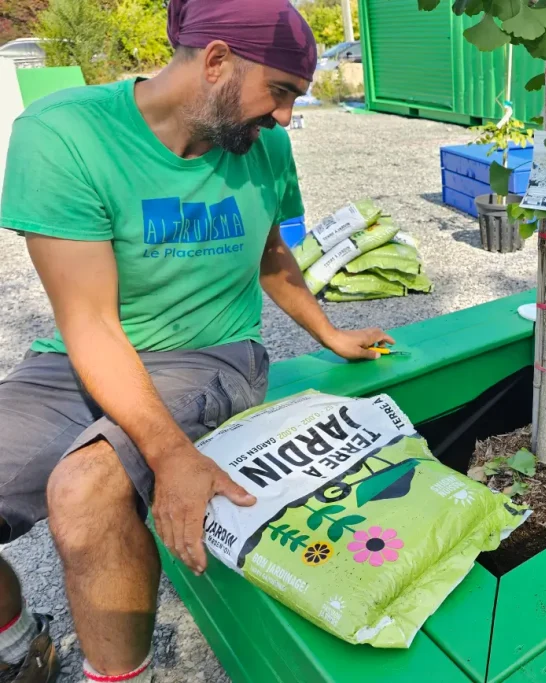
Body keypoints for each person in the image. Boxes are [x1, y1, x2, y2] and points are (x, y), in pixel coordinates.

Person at [0, 1, 395, 681]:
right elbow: (89, 324)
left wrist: (331, 333)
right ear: (215, 62)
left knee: (85, 491)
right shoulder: (65, 135)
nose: (286, 118)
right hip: (83, 353)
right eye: (280, 92)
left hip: (213, 355)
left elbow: (273, 255)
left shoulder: (264, 147)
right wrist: (171, 452)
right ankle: (16, 645)